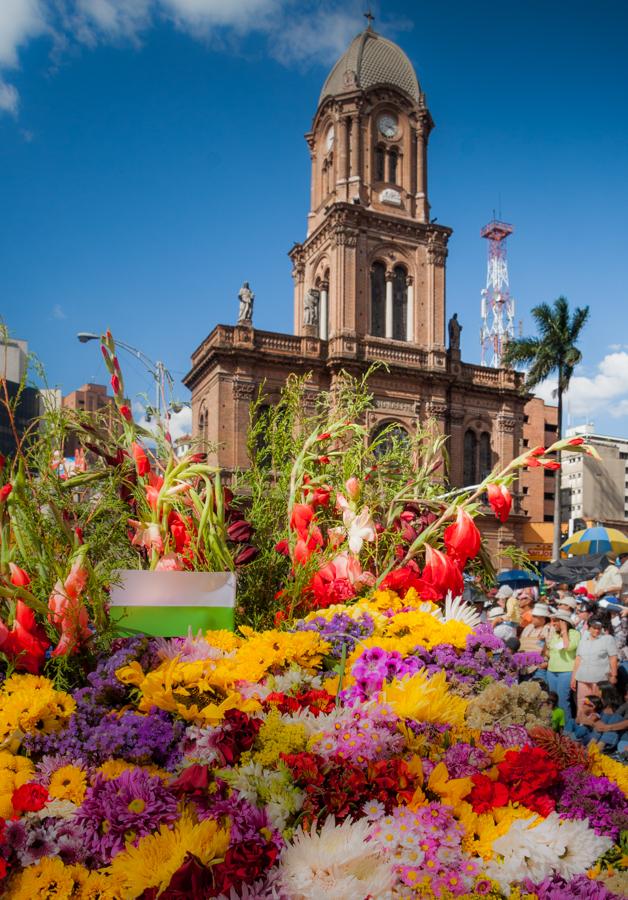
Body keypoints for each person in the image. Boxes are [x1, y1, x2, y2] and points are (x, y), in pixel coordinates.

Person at [571, 617, 618, 718]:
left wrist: (614, 675)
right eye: (594, 628)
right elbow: (578, 659)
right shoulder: (583, 639)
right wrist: (573, 678)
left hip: (600, 679)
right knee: (582, 703)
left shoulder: (607, 638)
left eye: (599, 628)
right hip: (582, 678)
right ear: (588, 628)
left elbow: (613, 657)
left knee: (599, 703)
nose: (596, 630)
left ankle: (598, 728)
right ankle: (581, 725)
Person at [546, 610, 580, 729]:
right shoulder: (555, 634)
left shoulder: (574, 633)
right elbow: (550, 651)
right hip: (551, 671)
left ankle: (567, 730)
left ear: (563, 622)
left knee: (563, 702)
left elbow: (568, 647)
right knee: (553, 701)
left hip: (566, 672)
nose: (553, 623)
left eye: (556, 621)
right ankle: (555, 728)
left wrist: (565, 630)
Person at [519, 603, 552, 678]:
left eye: (535, 616)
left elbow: (552, 650)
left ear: (543, 618)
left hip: (538, 669)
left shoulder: (549, 630)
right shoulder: (528, 627)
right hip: (524, 668)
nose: (532, 618)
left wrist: (545, 664)